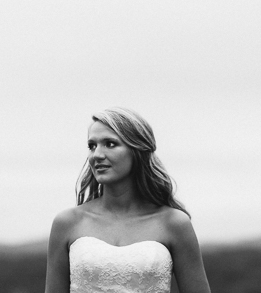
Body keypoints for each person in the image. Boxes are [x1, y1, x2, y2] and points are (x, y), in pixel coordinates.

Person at [44, 107, 212, 293]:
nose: (97, 155)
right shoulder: (68, 222)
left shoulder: (174, 223)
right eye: (92, 146)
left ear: (137, 150)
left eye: (110, 144)